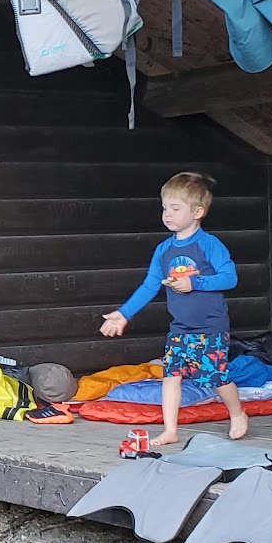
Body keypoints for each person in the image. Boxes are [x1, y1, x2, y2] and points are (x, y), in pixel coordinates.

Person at [99, 172, 247, 448]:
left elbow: (230, 278)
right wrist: (124, 313)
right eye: (165, 207)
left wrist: (194, 282)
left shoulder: (209, 245)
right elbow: (149, 286)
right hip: (179, 328)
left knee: (216, 377)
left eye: (175, 209)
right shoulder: (163, 249)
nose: (167, 214)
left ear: (198, 212)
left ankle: (238, 413)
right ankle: (170, 430)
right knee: (171, 377)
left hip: (209, 326)